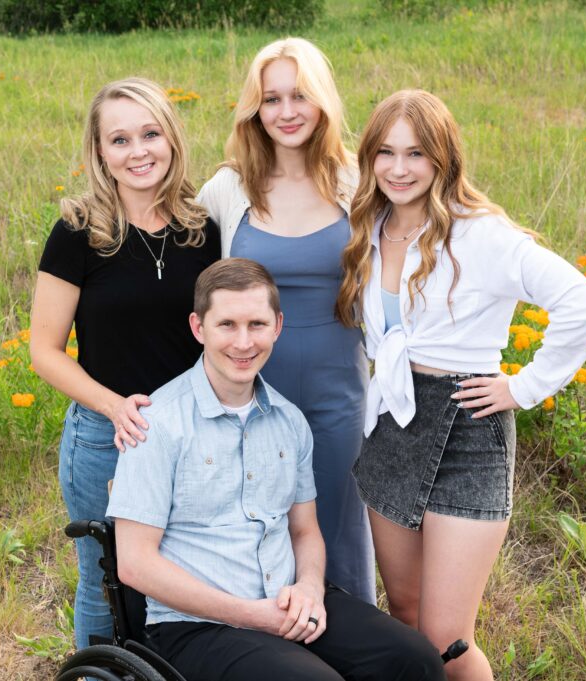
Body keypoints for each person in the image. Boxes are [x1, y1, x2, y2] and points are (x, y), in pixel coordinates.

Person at [335, 89, 586, 681]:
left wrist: (524, 386)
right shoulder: (369, 226)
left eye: (416, 154)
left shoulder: (480, 234)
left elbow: (583, 302)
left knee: (447, 638)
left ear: (444, 158)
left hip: (467, 424)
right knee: (404, 616)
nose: (399, 169)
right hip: (393, 424)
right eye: (386, 153)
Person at [106, 258, 445, 681]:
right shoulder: (157, 424)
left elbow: (304, 532)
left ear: (278, 326)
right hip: (194, 626)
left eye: (257, 324)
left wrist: (308, 587)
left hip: (286, 599)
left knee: (416, 659)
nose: (243, 342)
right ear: (198, 328)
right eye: (227, 324)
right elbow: (135, 564)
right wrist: (252, 615)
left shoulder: (290, 422)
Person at [30, 77, 220, 647]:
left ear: (171, 138)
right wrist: (116, 408)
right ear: (100, 153)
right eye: (119, 140)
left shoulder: (203, 230)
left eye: (150, 133)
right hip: (106, 437)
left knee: (185, 569)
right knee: (106, 578)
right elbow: (44, 351)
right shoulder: (77, 233)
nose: (138, 152)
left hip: (191, 434)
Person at [197, 37, 374, 603]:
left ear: (323, 101)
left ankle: (352, 650)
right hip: (248, 391)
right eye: (271, 99)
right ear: (255, 109)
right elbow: (190, 283)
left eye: (300, 95)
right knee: (256, 527)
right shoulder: (228, 189)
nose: (287, 111)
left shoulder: (357, 183)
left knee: (338, 527)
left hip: (337, 391)